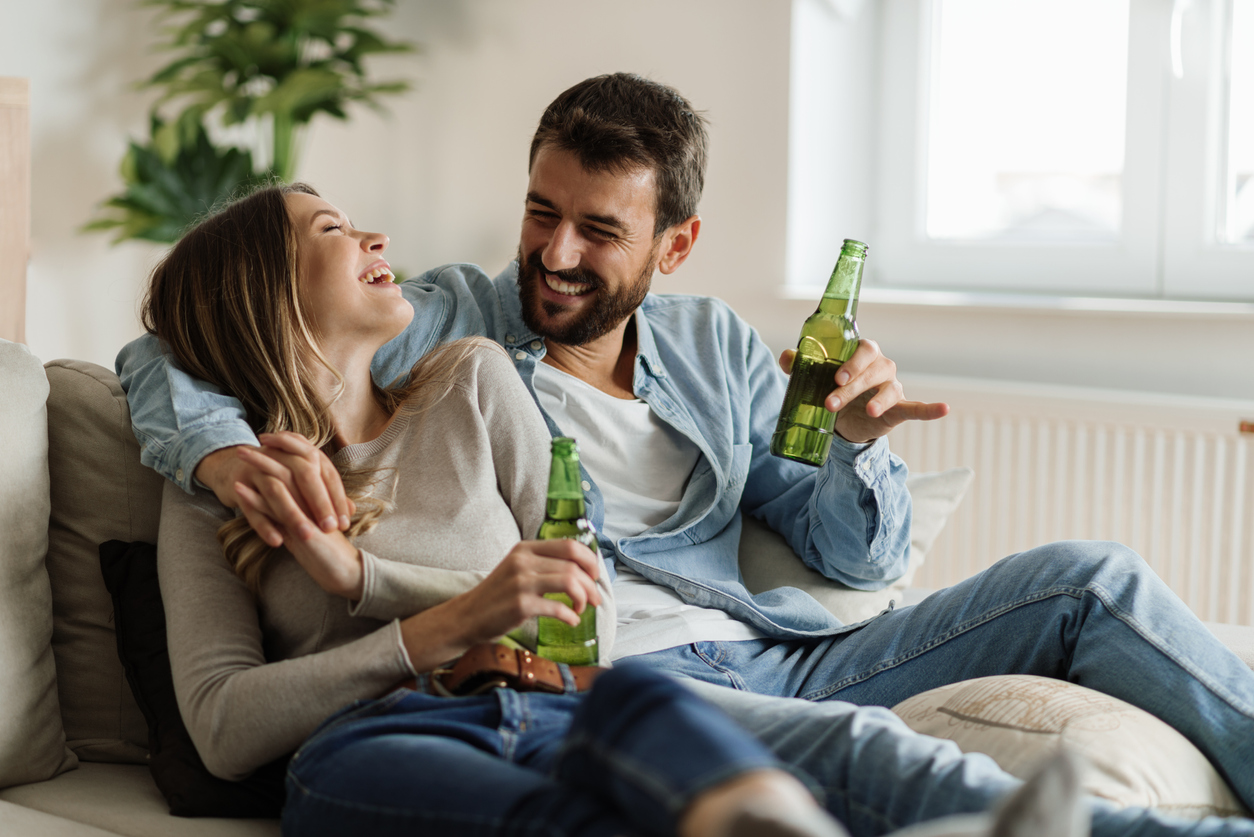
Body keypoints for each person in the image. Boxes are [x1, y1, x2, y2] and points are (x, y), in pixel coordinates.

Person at [118, 75, 1254, 833]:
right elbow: (188, 338)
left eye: (599, 231)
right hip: (601, 677)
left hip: (767, 648)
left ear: (676, 243)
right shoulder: (459, 326)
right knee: (821, 759)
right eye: (539, 211)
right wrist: (222, 457)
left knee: (1088, 578)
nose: (555, 254)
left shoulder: (690, 351)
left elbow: (845, 560)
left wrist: (853, 452)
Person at [146, 181, 856, 837]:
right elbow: (222, 729)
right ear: (262, 290)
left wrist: (365, 579)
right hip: (381, 737)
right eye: (333, 228)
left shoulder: (471, 380)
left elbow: (592, 614)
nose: (376, 238)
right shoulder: (223, 489)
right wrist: (450, 622)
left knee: (756, 783)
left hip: (569, 701)